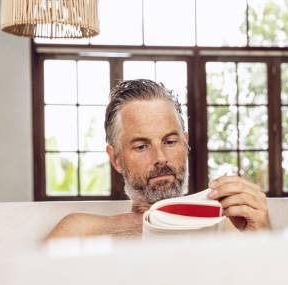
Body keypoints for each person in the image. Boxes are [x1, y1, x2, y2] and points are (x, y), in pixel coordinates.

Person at [47, 80, 270, 239]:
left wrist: (263, 236)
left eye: (170, 142)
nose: (160, 158)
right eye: (142, 146)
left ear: (186, 144)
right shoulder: (79, 232)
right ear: (116, 159)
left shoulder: (232, 229)